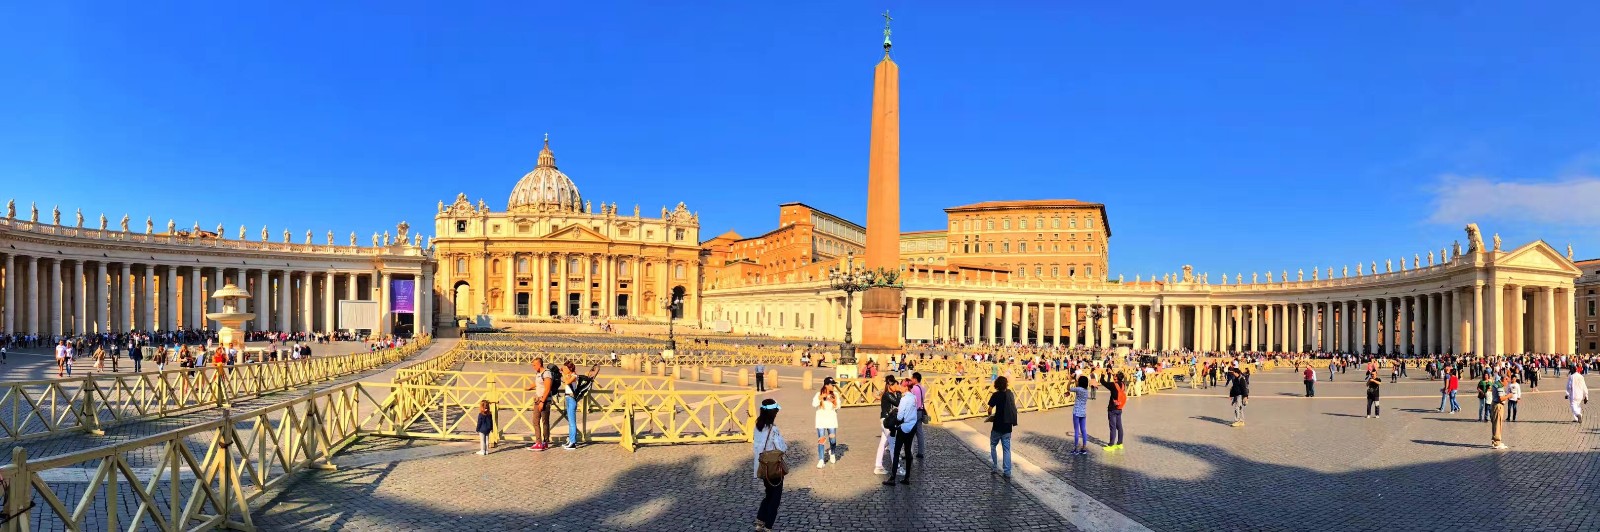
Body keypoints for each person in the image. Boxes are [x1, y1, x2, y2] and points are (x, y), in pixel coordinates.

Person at [753, 399, 786, 532]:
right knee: (775, 498)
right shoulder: (773, 429)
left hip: (762, 467)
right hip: (774, 467)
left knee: (768, 494)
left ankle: (760, 521)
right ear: (773, 412)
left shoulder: (757, 426)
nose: (777, 413)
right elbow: (781, 447)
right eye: (776, 411)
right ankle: (768, 526)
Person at [882, 380, 919, 486]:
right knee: (908, 451)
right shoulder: (914, 398)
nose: (899, 387)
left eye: (901, 385)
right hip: (912, 426)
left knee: (897, 451)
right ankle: (907, 477)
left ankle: (893, 477)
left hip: (904, 427)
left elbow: (899, 417)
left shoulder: (904, 399)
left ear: (906, 387)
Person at [561, 362, 602, 449]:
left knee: (572, 422)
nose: (563, 369)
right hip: (568, 398)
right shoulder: (569, 375)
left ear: (570, 369)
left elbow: (567, 382)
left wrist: (563, 373)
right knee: (570, 422)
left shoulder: (574, 376)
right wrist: (564, 373)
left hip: (572, 399)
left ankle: (573, 443)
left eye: (565, 368)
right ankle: (570, 440)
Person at [985, 376, 1018, 477]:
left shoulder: (995, 395)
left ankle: (995, 466)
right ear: (1006, 384)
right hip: (1007, 424)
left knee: (993, 445)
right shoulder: (1010, 394)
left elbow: (990, 409)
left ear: (997, 385)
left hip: (998, 424)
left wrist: (989, 416)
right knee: (1007, 448)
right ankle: (1007, 471)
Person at [524, 357, 555, 451]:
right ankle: (540, 442)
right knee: (536, 421)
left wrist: (542, 402)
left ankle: (542, 442)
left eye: (534, 365)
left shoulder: (546, 373)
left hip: (544, 400)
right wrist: (529, 387)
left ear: (539, 364)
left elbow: (547, 388)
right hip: (538, 400)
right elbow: (538, 383)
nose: (533, 367)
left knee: (544, 422)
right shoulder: (538, 373)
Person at [874, 375, 901, 475]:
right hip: (887, 421)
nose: (897, 387)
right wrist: (898, 392)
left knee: (883, 444)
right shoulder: (887, 395)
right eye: (895, 385)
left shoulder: (890, 394)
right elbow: (898, 403)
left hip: (887, 420)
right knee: (893, 443)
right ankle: (896, 468)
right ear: (890, 385)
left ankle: (878, 466)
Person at [812, 377, 840, 468]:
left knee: (832, 439)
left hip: (831, 420)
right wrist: (820, 398)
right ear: (826, 385)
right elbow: (814, 404)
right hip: (821, 420)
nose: (833, 386)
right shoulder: (818, 394)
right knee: (821, 440)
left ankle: (832, 452)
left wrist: (834, 401)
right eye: (832, 385)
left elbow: (838, 406)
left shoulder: (835, 394)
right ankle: (821, 460)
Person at [1101, 370, 1127, 451]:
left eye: (1115, 376)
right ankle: (1120, 443)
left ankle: (1111, 444)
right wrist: (1113, 373)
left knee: (1112, 427)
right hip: (1119, 408)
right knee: (1119, 426)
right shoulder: (1123, 384)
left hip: (1112, 408)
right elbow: (1119, 378)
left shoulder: (1113, 385)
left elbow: (1103, 382)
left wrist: (1103, 374)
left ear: (1116, 378)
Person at [1068, 376, 1091, 455]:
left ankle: (1076, 449)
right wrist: (1076, 380)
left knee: (1076, 431)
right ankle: (1084, 448)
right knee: (1083, 430)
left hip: (1076, 412)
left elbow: (1069, 388)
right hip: (1083, 413)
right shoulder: (1086, 391)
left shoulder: (1078, 389)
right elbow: (1078, 385)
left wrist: (1070, 380)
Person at [1489, 374, 1508, 450]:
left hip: (1494, 404)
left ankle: (1495, 440)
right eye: (1507, 381)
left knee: (1495, 423)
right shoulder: (1499, 386)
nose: (1507, 383)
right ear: (1504, 379)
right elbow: (1501, 398)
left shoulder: (1496, 383)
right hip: (1498, 406)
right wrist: (1508, 396)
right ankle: (1497, 442)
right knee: (1498, 423)